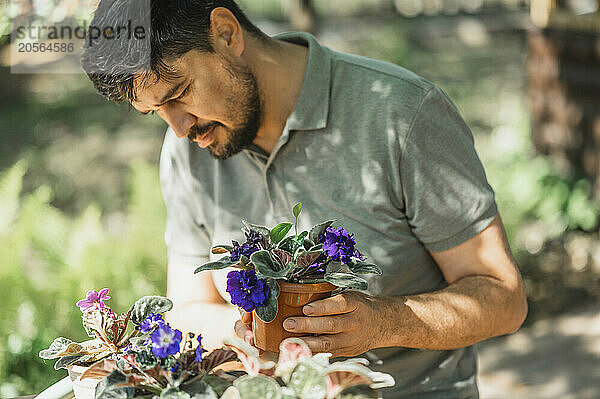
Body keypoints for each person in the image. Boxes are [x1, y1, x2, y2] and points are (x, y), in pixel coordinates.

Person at [81, 1, 528, 397]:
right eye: (155, 112)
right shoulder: (186, 152)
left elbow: (503, 298)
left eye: (178, 94)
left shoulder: (402, 115)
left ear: (226, 33)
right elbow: (189, 305)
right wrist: (240, 331)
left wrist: (383, 323)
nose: (178, 128)